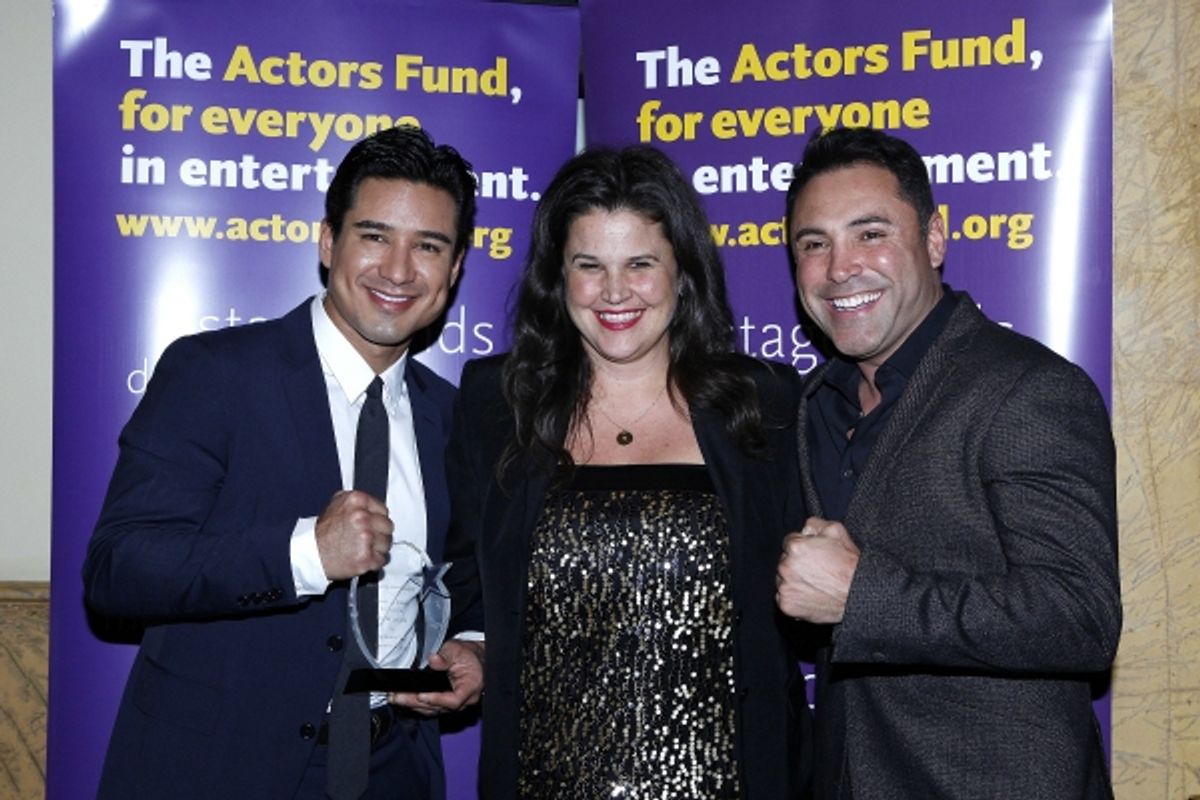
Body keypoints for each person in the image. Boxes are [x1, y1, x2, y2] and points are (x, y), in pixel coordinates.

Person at [83, 125, 484, 800]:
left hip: (395, 771)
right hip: (217, 772)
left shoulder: (454, 415)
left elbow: (466, 571)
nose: (397, 269)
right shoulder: (215, 375)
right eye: (375, 235)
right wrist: (306, 553)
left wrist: (471, 647)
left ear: (454, 270)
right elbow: (118, 569)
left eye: (428, 246)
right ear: (329, 243)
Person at [442, 146, 809, 799]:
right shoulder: (497, 403)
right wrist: (471, 647)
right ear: (558, 278)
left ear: (682, 274)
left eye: (641, 264)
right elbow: (472, 573)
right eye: (590, 266)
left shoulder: (763, 404)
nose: (615, 292)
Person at [776, 126, 1120, 799]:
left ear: (934, 239)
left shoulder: (1028, 389)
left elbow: (1079, 618)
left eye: (870, 233)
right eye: (813, 244)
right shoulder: (815, 404)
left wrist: (860, 596)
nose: (840, 267)